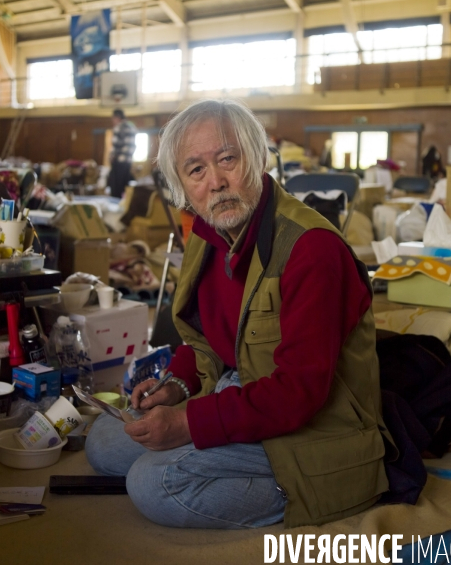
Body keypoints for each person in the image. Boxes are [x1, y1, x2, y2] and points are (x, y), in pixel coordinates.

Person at [86, 99, 390, 529]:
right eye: (196, 170)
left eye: (228, 159)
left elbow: (299, 393)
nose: (216, 182)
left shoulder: (311, 248)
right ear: (183, 187)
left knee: (152, 483)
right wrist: (176, 385)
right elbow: (208, 338)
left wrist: (189, 423)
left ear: (258, 158)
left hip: (311, 429)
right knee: (102, 441)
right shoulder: (208, 236)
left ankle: (306, 495)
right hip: (238, 394)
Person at [107, 108, 137, 198]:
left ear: (117, 117)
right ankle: (124, 203)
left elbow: (116, 145)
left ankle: (115, 204)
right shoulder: (132, 127)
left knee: (115, 185)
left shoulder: (119, 127)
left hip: (119, 160)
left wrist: (111, 157)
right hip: (128, 161)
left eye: (113, 119)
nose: (113, 121)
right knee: (125, 183)